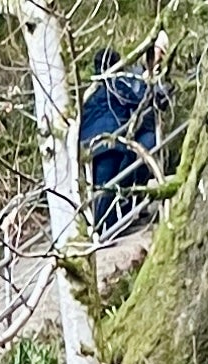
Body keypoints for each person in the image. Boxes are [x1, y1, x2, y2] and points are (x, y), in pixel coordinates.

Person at [81, 46, 170, 240]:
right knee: (109, 186)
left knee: (99, 188)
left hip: (88, 145)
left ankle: (103, 228)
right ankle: (108, 230)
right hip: (110, 142)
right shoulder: (115, 83)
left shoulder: (89, 91)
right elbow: (138, 100)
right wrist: (160, 94)